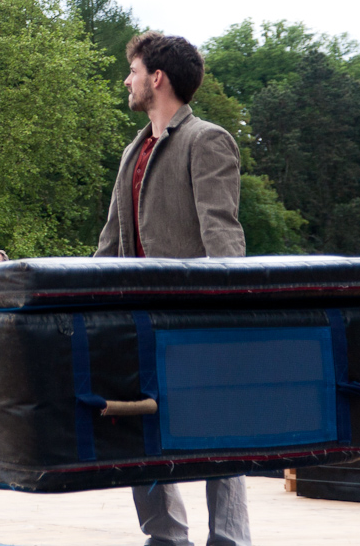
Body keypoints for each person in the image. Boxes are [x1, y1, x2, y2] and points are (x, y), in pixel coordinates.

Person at [96, 31, 250, 546]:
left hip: (195, 320)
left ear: (157, 78)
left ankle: (229, 539)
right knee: (137, 429)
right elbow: (109, 245)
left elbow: (222, 233)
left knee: (219, 432)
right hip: (135, 322)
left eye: (133, 71)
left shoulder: (207, 140)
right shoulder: (131, 152)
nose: (127, 80)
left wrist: (228, 316)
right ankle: (165, 537)